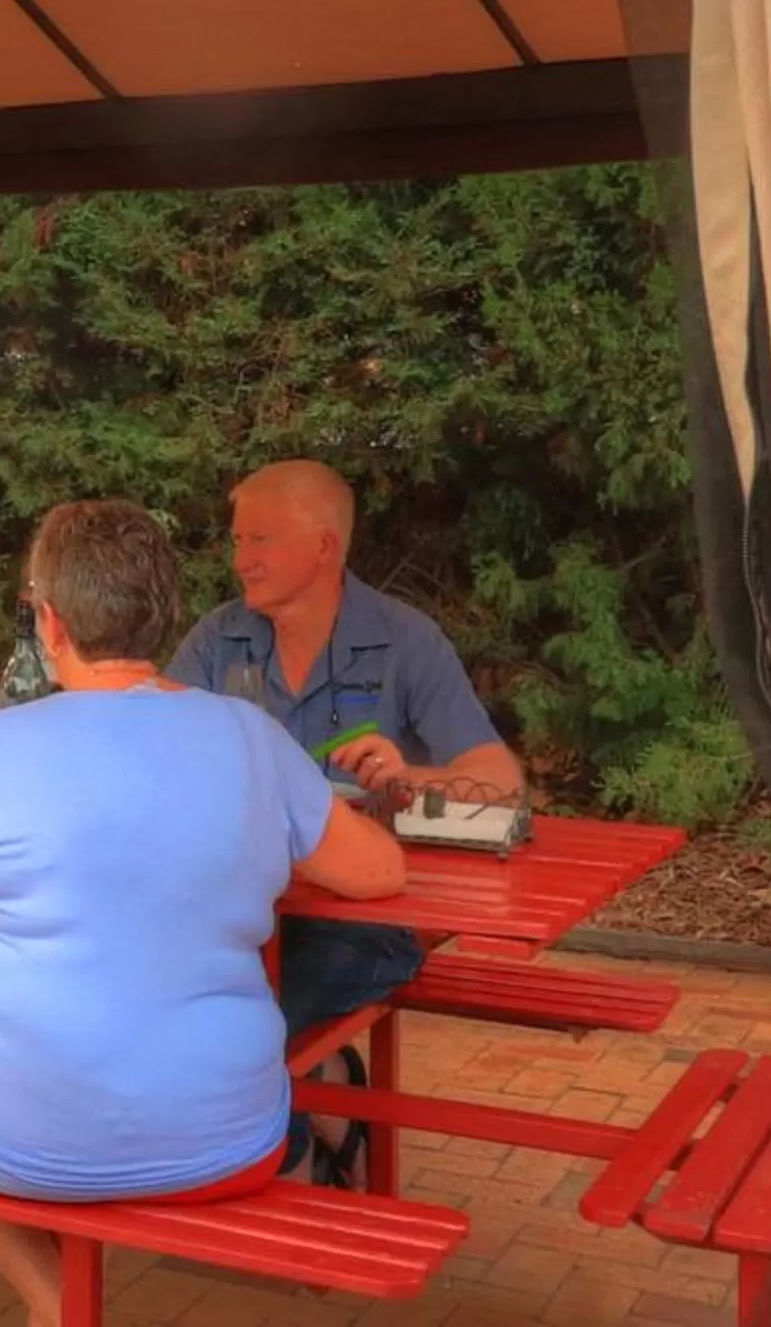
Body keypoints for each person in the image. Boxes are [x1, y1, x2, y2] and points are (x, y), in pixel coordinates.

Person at [0, 501, 407, 1326]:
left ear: (50, 623)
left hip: (2, 1129)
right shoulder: (248, 736)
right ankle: (64, 1302)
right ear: (166, 613)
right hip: (225, 1139)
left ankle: (55, 1304)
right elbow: (377, 873)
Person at [163, 458, 526, 1175]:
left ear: (324, 547)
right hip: (241, 909)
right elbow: (155, 751)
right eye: (237, 540)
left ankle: (287, 1157)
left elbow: (502, 784)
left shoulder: (404, 640)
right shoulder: (218, 638)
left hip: (365, 916)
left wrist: (409, 774)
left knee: (245, 1038)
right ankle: (324, 1110)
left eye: (260, 540)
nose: (241, 559)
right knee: (179, 1019)